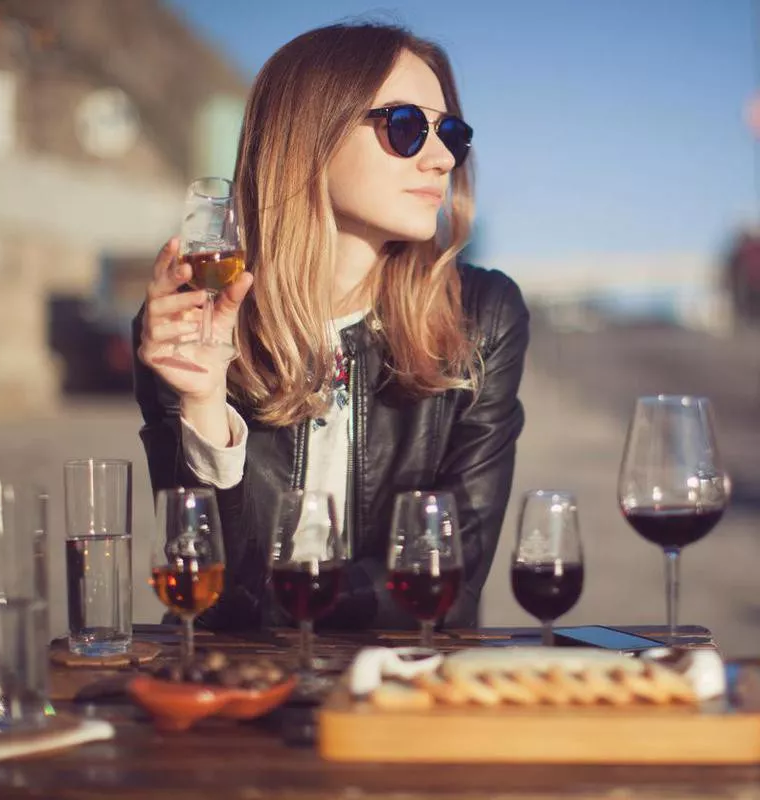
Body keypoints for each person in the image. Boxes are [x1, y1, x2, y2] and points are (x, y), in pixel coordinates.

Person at [133, 21, 529, 631]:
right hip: (239, 693)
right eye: (405, 127)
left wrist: (290, 601)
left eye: (449, 131)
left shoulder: (483, 315)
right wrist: (204, 402)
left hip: (405, 684)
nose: (442, 156)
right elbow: (206, 592)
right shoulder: (195, 321)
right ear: (311, 136)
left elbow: (451, 570)